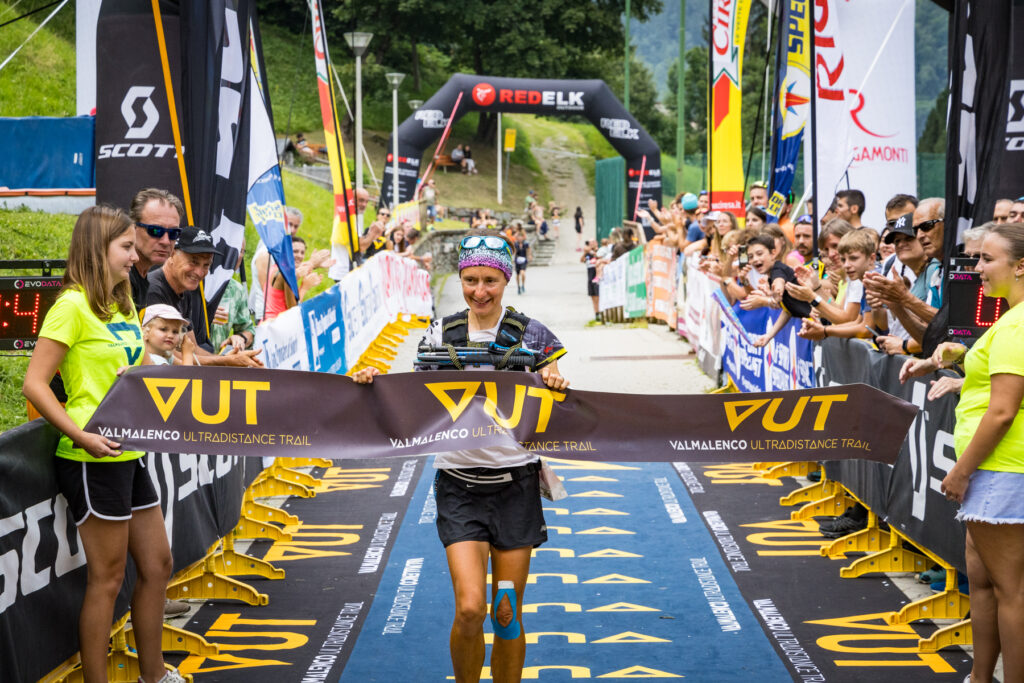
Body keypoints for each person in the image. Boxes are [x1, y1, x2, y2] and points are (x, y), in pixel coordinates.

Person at [351, 229, 568, 683]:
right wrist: (374, 378)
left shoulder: (532, 333)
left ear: (506, 280)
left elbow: (555, 380)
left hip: (516, 485)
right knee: (471, 608)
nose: (480, 291)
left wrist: (553, 375)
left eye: (490, 280)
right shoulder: (440, 332)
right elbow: (412, 394)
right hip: (459, 486)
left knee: (506, 612)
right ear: (461, 279)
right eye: (471, 280)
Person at [22, 205, 184, 683]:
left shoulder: (125, 302)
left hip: (130, 453)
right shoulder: (70, 306)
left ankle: (152, 675)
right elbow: (34, 383)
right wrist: (82, 436)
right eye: (127, 247)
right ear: (99, 249)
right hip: (90, 458)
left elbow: (132, 366)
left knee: (158, 564)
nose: (135, 256)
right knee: (108, 579)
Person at [899, 223, 1024, 683]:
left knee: (1012, 592)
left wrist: (961, 471)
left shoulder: (1016, 324)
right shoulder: (1009, 322)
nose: (977, 270)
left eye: (987, 260)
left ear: (1021, 266)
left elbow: (1003, 412)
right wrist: (951, 362)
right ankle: (980, 676)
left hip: (1001, 470)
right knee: (989, 585)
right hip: (1000, 472)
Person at [145, 226, 263, 367]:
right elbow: (173, 357)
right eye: (193, 262)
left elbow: (192, 348)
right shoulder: (153, 291)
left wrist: (231, 359)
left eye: (206, 265)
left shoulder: (186, 289)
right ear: (171, 254)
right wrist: (226, 362)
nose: (200, 272)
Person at [128, 188, 185, 311]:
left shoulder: (141, 277)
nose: (165, 241)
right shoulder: (118, 278)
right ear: (133, 228)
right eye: (155, 231)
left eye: (173, 233)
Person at [250, 205, 302, 323]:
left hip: (277, 313)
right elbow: (267, 291)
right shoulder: (266, 252)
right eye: (289, 224)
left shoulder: (283, 249)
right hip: (266, 315)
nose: (292, 230)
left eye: (296, 226)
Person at [210, 239, 256, 354]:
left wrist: (241, 338)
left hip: (218, 366)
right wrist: (203, 316)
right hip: (189, 366)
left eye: (240, 251)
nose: (235, 255)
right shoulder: (194, 284)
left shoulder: (236, 290)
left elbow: (248, 329)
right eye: (231, 248)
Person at [582, 239, 601, 321]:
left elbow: (600, 257)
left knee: (598, 296)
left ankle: (601, 313)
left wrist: (594, 253)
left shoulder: (599, 251)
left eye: (593, 242)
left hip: (597, 277)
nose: (591, 244)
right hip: (590, 277)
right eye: (590, 243)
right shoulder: (588, 254)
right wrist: (586, 252)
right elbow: (582, 260)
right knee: (593, 296)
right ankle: (596, 314)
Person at [513, 229, 531, 295]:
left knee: (522, 273)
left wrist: (529, 256)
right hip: (517, 260)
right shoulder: (515, 244)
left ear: (523, 238)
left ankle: (523, 285)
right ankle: (518, 287)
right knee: (517, 275)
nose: (520, 239)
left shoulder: (526, 243)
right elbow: (514, 251)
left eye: (521, 237)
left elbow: (528, 250)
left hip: (523, 259)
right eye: (518, 237)